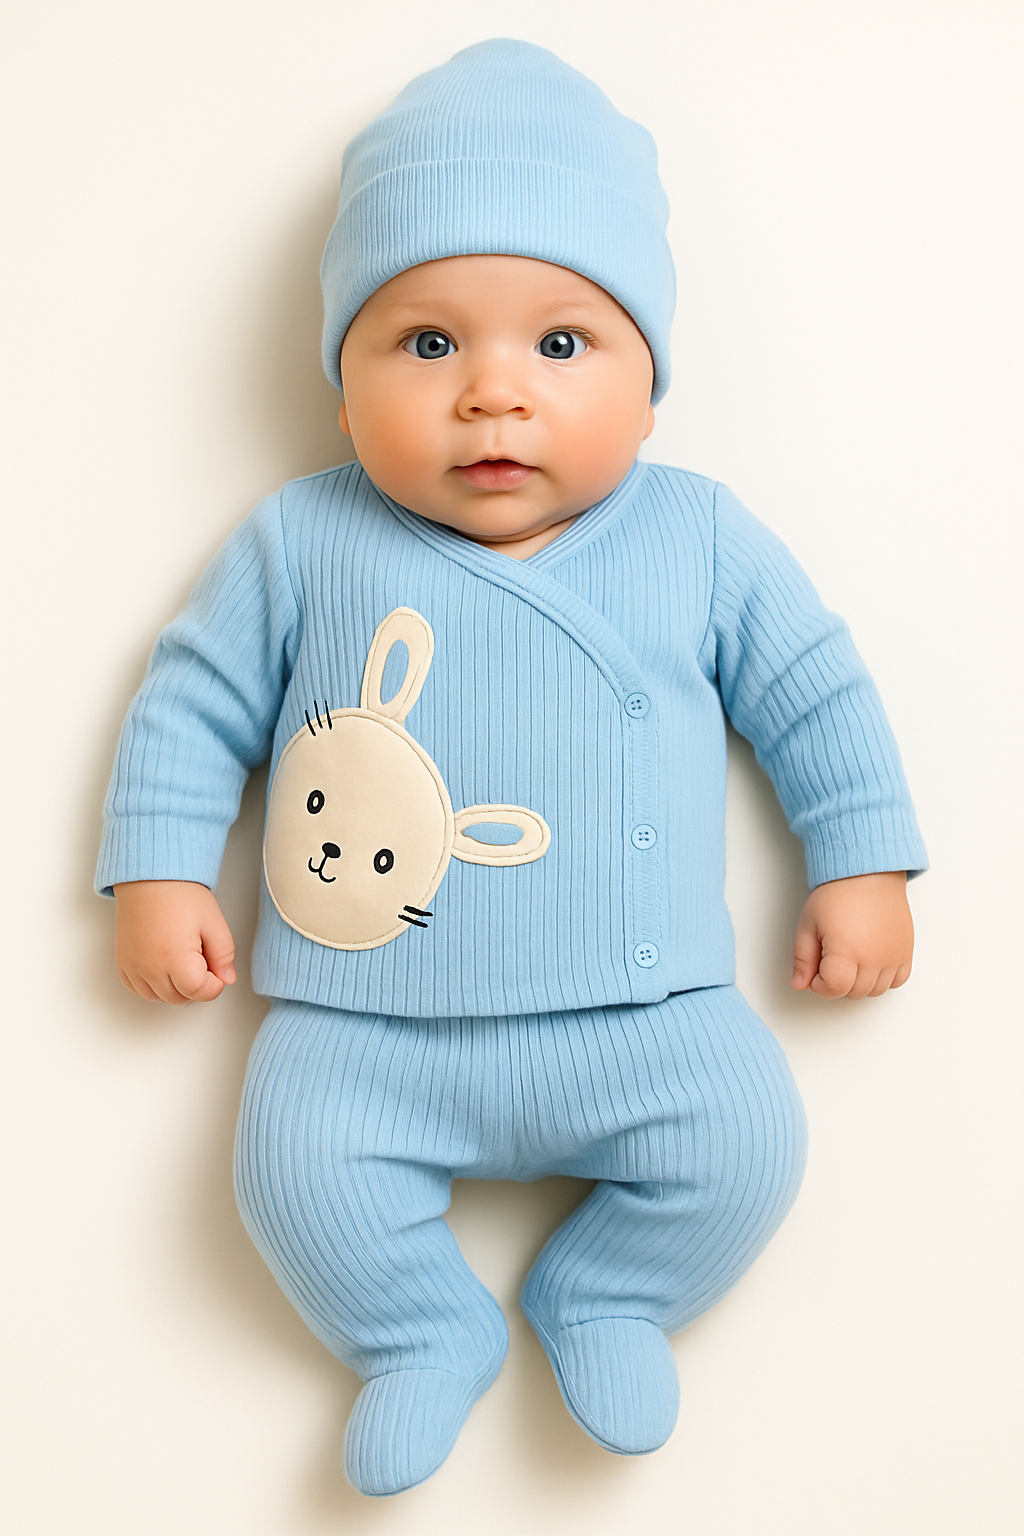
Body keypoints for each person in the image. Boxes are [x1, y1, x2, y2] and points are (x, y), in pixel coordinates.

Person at [98, 39, 926, 1497]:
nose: (494, 394)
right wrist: (159, 871)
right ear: (343, 388)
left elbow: (817, 693)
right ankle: (417, 1329)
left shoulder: (698, 536)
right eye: (428, 345)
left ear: (651, 386)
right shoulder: (302, 539)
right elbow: (193, 702)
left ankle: (609, 1292)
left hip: (646, 1013)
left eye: (562, 344)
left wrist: (861, 862)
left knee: (745, 1147)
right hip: (363, 1026)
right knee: (294, 1176)